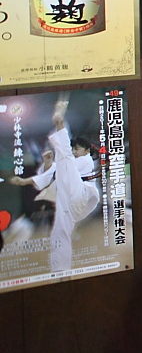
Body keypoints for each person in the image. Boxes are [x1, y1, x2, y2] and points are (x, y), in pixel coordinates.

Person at [6, 96, 99, 274]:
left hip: (82, 194)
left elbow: (63, 162)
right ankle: (61, 269)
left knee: (65, 158)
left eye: (78, 149)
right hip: (67, 201)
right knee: (60, 233)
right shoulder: (65, 162)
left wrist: (60, 123)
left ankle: (59, 122)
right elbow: (48, 174)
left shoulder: (84, 160)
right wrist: (42, 168)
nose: (75, 151)